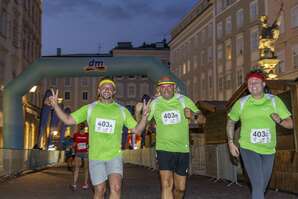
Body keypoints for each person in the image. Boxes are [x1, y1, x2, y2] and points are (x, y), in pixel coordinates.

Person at [48, 77, 149, 199]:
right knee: (100, 190)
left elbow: (137, 130)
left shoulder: (122, 111)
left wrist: (144, 116)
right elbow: (68, 120)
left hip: (114, 156)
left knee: (116, 188)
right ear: (99, 90)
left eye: (110, 88)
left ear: (114, 91)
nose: (107, 90)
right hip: (96, 157)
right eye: (104, 87)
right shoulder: (89, 108)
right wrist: (55, 106)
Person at [227, 70, 293, 199]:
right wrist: (230, 142)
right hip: (248, 148)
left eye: (256, 82)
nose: (252, 85)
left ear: (263, 84)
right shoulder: (241, 103)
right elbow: (230, 122)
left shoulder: (274, 101)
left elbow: (290, 123)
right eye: (249, 83)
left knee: (261, 186)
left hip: (269, 150)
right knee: (258, 184)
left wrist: (279, 120)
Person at [147, 76, 205, 199]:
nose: (166, 89)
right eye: (163, 86)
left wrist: (193, 115)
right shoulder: (155, 103)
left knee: (180, 189)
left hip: (182, 149)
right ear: (159, 89)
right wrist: (149, 123)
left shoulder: (184, 100)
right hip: (163, 149)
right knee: (166, 184)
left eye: (169, 86)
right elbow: (144, 123)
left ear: (174, 87)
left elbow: (202, 119)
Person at [71, 123, 89, 190]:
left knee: (85, 169)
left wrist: (88, 146)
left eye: (82, 127)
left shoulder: (87, 135)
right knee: (77, 168)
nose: (81, 129)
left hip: (85, 152)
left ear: (84, 128)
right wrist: (73, 149)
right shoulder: (76, 135)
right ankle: (75, 184)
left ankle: (84, 184)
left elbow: (89, 144)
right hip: (79, 152)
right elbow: (74, 143)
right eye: (80, 127)